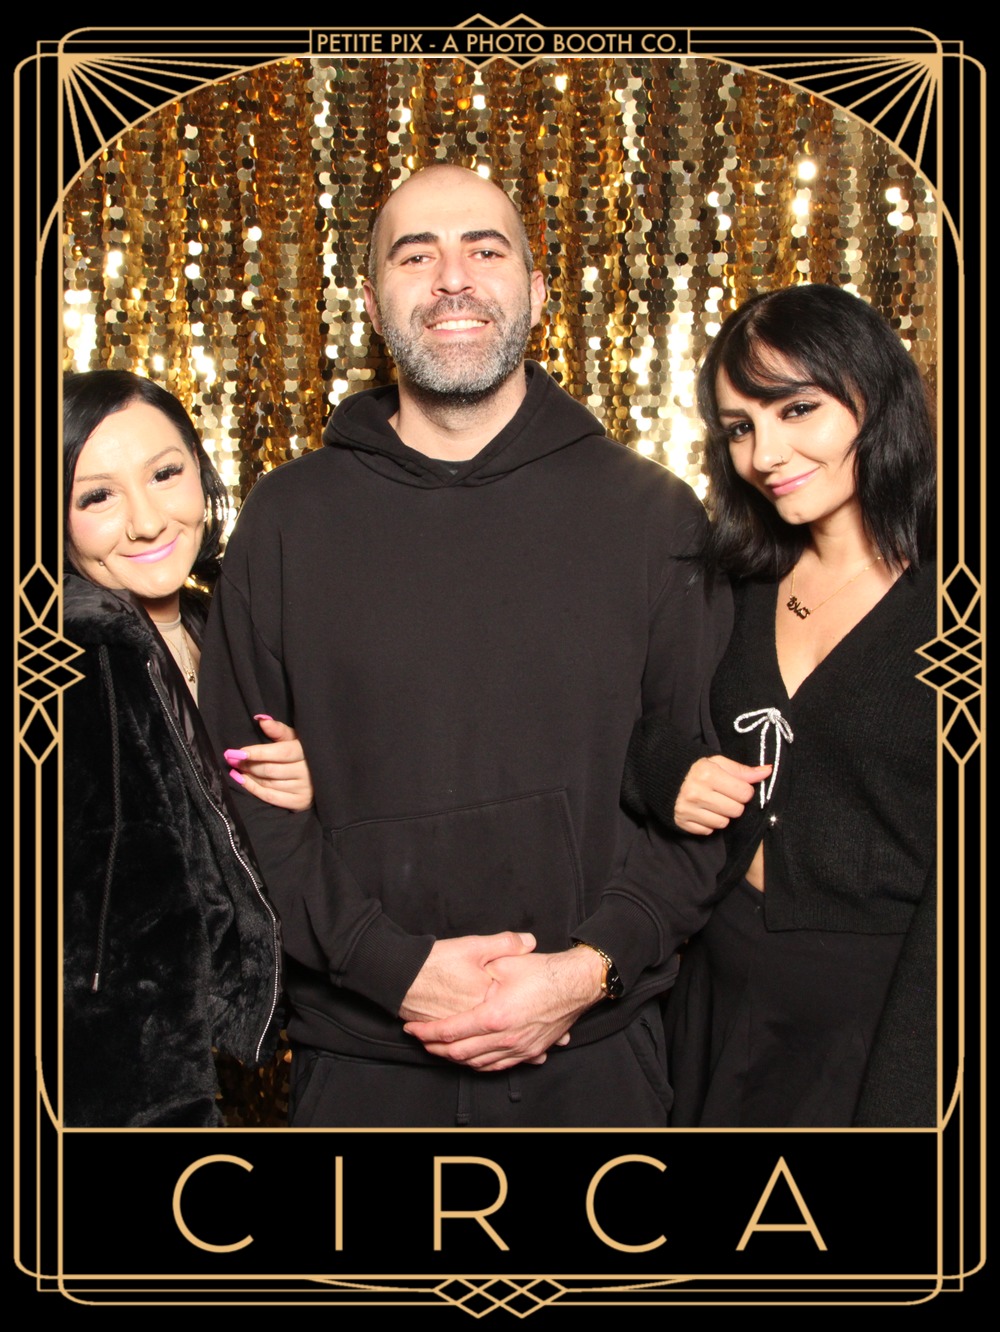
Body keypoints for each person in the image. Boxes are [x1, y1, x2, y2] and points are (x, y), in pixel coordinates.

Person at [199, 163, 732, 1127]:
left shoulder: (653, 516)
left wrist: (589, 969)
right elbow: (241, 797)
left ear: (538, 290)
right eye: (416, 256)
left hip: (594, 1062)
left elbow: (704, 791)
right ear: (370, 303)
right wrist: (390, 967)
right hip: (360, 1066)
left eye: (486, 250)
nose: (454, 278)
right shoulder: (285, 521)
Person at [622, 283, 937, 1127]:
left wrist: (910, 1099)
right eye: (739, 427)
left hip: (880, 1024)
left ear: (875, 396)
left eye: (798, 409)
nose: (764, 453)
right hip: (714, 993)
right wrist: (668, 772)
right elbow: (633, 729)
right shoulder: (734, 580)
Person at [62, 370, 314, 1127]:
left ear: (200, 473)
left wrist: (309, 789)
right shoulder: (72, 662)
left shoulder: (229, 625)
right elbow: (105, 948)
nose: (146, 522)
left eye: (165, 474)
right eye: (97, 497)